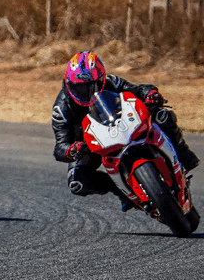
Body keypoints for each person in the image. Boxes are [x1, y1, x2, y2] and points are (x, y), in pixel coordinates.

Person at [52, 51, 199, 208]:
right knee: (77, 182)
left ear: (101, 79)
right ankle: (121, 192)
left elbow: (137, 89)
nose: (86, 92)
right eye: (79, 87)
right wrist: (71, 150)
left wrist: (151, 94)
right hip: (89, 144)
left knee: (162, 115)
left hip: (122, 122)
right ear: (68, 83)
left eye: (91, 85)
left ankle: (183, 155)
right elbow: (60, 146)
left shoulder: (111, 81)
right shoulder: (61, 108)